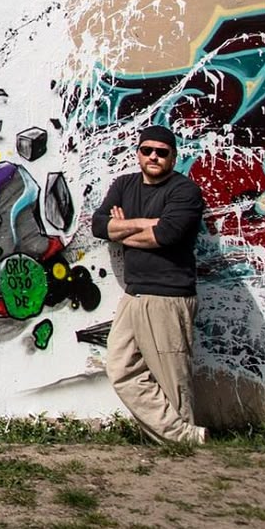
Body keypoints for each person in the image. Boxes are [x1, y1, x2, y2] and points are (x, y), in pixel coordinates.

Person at [88, 123, 208, 446]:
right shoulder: (124, 184)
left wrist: (123, 228)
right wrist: (147, 225)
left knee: (172, 379)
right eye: (147, 150)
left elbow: (166, 235)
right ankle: (183, 437)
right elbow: (99, 225)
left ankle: (182, 447)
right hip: (134, 293)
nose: (153, 156)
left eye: (161, 152)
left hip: (168, 296)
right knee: (120, 367)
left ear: (173, 157)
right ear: (138, 153)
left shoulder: (185, 191)